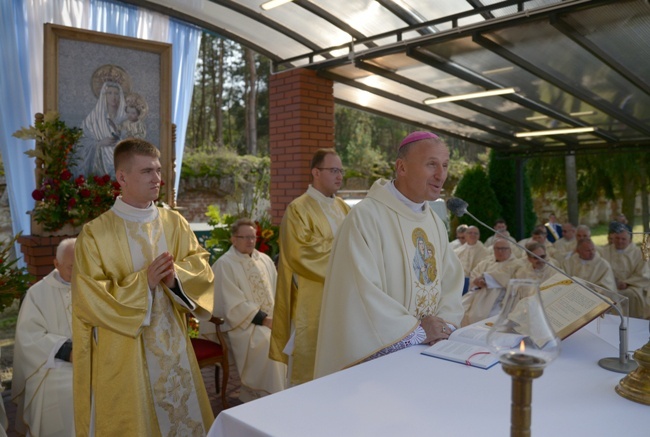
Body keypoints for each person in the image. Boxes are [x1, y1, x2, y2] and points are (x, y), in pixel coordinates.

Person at [71, 138, 215, 436]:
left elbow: (201, 266)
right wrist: (143, 284)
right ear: (122, 177)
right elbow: (89, 298)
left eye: (159, 170)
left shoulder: (174, 222)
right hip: (125, 353)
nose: (158, 178)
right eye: (147, 171)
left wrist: (176, 279)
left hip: (173, 345)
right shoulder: (95, 234)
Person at [314, 131, 464, 379]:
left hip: (431, 351)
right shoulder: (366, 217)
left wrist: (442, 325)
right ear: (401, 167)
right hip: (382, 361)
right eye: (431, 164)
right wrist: (416, 330)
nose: (441, 175)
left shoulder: (435, 222)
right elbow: (359, 293)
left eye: (445, 165)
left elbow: (450, 282)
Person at [270, 148, 351, 386]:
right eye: (333, 170)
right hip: (312, 299)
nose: (339, 176)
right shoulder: (298, 209)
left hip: (344, 297)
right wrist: (348, 254)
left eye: (341, 171)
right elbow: (301, 253)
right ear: (316, 172)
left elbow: (362, 244)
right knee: (311, 367)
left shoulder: (344, 208)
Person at [212, 218, 287, 401]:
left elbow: (278, 291)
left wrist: (281, 316)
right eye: (244, 237)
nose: (250, 241)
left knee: (294, 335)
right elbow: (233, 304)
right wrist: (265, 320)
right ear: (233, 239)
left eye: (252, 237)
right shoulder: (225, 264)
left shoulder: (265, 260)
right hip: (243, 324)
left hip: (269, 319)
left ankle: (289, 389)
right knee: (268, 342)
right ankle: (269, 394)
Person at [12, 238, 77, 437]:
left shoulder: (94, 287)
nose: (78, 274)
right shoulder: (37, 293)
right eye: (71, 268)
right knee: (68, 389)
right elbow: (29, 337)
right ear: (56, 264)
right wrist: (67, 350)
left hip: (94, 358)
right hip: (52, 363)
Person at [461, 238, 520, 326]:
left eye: (503, 249)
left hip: (500, 298)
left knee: (492, 317)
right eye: (497, 248)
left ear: (510, 250)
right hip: (478, 294)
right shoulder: (486, 262)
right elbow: (474, 274)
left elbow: (508, 279)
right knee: (461, 310)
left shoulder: (516, 264)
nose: (500, 251)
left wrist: (486, 279)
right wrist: (477, 281)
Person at [599, 226, 650, 318]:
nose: (620, 241)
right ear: (613, 238)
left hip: (632, 286)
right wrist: (613, 281)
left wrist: (627, 282)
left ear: (630, 240)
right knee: (602, 293)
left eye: (623, 239)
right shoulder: (604, 252)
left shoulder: (639, 253)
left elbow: (644, 274)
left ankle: (632, 322)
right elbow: (600, 269)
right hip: (609, 285)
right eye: (617, 238)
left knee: (629, 295)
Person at [79, 80, 127, 178]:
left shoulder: (126, 119)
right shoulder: (93, 119)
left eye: (116, 94)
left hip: (122, 162)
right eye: (109, 93)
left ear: (120, 96)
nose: (113, 97)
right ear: (103, 95)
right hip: (100, 165)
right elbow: (81, 142)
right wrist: (99, 143)